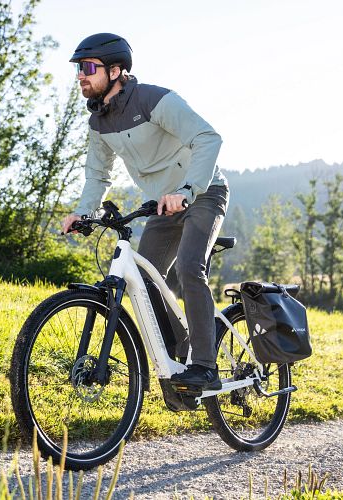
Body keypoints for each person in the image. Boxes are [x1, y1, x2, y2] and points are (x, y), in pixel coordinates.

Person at [61, 33, 229, 390]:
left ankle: (205, 365)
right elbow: (97, 174)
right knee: (147, 279)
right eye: (79, 69)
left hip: (204, 193)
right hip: (163, 206)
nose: (81, 76)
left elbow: (208, 138)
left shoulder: (155, 100)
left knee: (188, 268)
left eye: (89, 68)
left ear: (117, 70)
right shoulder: (98, 122)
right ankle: (180, 363)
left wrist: (187, 190)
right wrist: (83, 212)